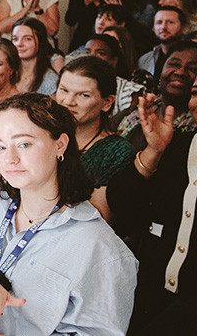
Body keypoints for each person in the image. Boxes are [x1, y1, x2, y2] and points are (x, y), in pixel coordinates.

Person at [0, 93, 137, 336]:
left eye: (24, 144)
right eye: (0, 147)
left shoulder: (100, 247)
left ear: (60, 144)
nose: (10, 159)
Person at [106, 92, 197, 332]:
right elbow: (120, 204)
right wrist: (153, 151)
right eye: (196, 93)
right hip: (145, 295)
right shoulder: (175, 145)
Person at [54, 56, 132, 221]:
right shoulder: (45, 135)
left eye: (83, 95)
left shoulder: (117, 152)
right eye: (64, 90)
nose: (68, 102)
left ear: (107, 102)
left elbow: (100, 218)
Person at [115, 41, 197, 141]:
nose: (180, 72)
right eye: (174, 64)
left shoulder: (193, 130)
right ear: (161, 70)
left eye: (193, 69)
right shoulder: (134, 112)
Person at [12, 17, 59, 95]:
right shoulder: (9, 72)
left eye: (27, 39)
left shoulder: (50, 80)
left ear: (40, 41)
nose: (19, 44)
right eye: (15, 39)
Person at [138, 6, 186, 78]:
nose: (163, 27)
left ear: (183, 28)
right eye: (159, 22)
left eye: (170, 22)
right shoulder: (144, 60)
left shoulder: (193, 58)